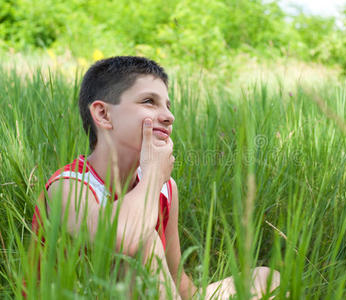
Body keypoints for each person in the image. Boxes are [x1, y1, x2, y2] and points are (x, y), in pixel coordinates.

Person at [31, 56, 280, 299]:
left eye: (168, 106)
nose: (168, 116)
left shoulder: (165, 187)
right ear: (104, 115)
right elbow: (126, 240)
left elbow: (174, 277)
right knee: (143, 240)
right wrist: (152, 176)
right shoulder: (69, 186)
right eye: (149, 101)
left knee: (266, 278)